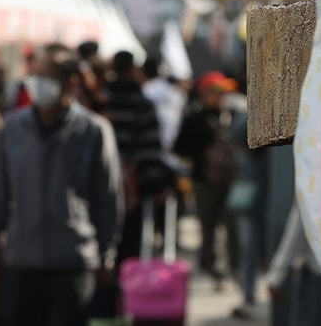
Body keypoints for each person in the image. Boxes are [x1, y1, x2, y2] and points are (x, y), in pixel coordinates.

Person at [0, 43, 123, 326]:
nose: (37, 84)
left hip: (73, 261)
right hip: (20, 259)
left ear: (70, 82)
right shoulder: (11, 129)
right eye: (35, 75)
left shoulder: (94, 131)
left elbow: (109, 198)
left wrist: (106, 253)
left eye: (47, 76)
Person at [173, 70, 243, 285]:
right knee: (208, 224)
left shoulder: (234, 115)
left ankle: (234, 265)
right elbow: (180, 147)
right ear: (204, 94)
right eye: (215, 92)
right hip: (204, 181)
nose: (220, 97)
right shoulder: (194, 118)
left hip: (232, 181)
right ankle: (208, 264)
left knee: (232, 225)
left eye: (222, 92)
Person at [101, 52, 171, 262]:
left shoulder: (102, 99)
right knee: (129, 248)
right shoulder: (142, 104)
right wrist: (155, 184)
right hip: (134, 188)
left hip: (100, 183)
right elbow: (149, 148)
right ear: (133, 70)